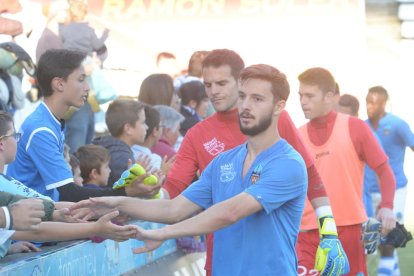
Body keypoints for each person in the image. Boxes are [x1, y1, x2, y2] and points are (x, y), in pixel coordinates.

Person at [71, 64, 308, 274]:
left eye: (258, 99)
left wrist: (163, 234)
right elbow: (175, 208)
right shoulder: (223, 162)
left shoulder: (288, 163)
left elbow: (230, 212)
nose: (246, 106)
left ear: (279, 106)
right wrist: (114, 202)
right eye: (243, 96)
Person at [149, 49, 346, 276]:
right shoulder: (197, 134)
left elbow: (311, 176)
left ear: (240, 81)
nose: (214, 91)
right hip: (223, 259)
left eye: (221, 83)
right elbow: (173, 191)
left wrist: (329, 232)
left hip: (271, 261)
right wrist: (147, 194)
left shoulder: (276, 118)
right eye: (208, 85)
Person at [6, 49, 161, 202]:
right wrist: (126, 191)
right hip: (31, 219)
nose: (87, 87)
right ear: (59, 84)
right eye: (81, 79)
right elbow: (68, 192)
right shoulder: (41, 129)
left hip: (46, 213)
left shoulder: (49, 120)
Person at [297, 67, 397, 275]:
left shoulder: (355, 128)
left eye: (309, 95)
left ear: (330, 97)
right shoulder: (297, 136)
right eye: (300, 95)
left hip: (348, 231)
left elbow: (385, 172)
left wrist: (386, 206)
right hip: (306, 233)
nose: (303, 101)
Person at [365, 85, 414, 276]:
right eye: (368, 102)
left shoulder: (397, 124)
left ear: (384, 103)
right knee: (371, 242)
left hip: (394, 190)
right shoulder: (363, 126)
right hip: (368, 191)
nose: (370, 106)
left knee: (390, 236)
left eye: (374, 103)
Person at [92, 99, 155, 187]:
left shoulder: (109, 147)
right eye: (143, 122)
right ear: (128, 129)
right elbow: (124, 194)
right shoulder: (122, 159)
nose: (147, 127)